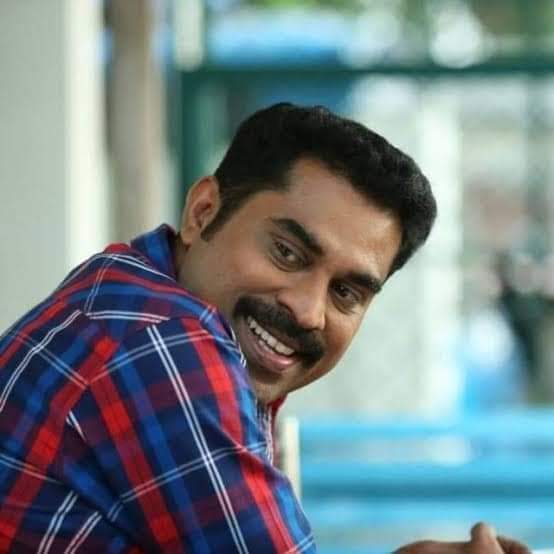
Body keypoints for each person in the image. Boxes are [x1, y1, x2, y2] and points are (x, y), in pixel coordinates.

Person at [0, 103, 528, 553]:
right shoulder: (165, 348)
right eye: (287, 253)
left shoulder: (128, 285)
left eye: (346, 293)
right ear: (203, 212)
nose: (308, 312)